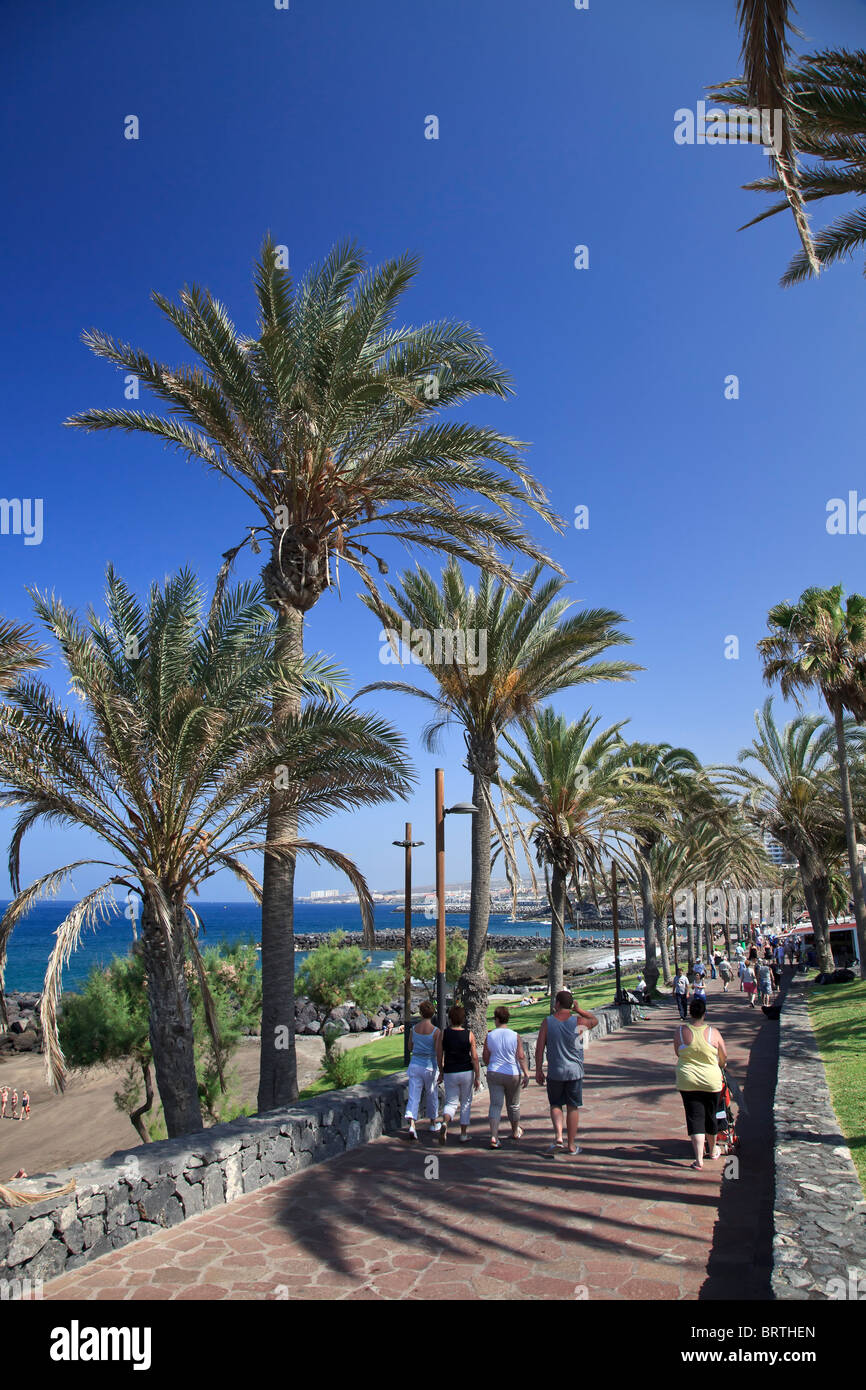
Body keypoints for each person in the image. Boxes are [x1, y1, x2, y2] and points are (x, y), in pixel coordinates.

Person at [535, 989, 598, 1157]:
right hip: (575, 1072)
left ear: (557, 1004)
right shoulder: (578, 1022)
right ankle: (571, 1145)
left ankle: (558, 1137)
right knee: (573, 1106)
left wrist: (539, 1069)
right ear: (570, 1005)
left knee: (555, 1104)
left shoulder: (548, 1022)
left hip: (555, 1071)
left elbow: (540, 1048)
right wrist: (578, 1010)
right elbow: (595, 1020)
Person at [674, 997, 728, 1170]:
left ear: (690, 1013)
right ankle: (712, 1151)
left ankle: (699, 1160)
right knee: (710, 1115)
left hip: (688, 1080)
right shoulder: (713, 1033)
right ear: (705, 1014)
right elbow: (723, 1056)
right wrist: (720, 1065)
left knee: (694, 1117)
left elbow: (678, 1053)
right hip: (711, 1081)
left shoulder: (681, 1032)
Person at [483, 1006, 530, 1147]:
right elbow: (521, 1056)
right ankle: (515, 1130)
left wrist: (491, 1063)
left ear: (497, 1019)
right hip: (512, 1073)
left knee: (495, 1105)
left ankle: (494, 1136)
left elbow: (485, 1057)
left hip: (495, 1072)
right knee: (513, 1105)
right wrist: (526, 1073)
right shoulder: (515, 1036)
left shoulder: (490, 1036)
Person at [436, 1004, 480, 1144]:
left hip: (450, 1071)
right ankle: (463, 1133)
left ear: (450, 1018)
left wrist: (441, 1071)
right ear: (463, 1019)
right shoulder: (469, 1034)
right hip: (466, 1071)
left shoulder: (444, 1033)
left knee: (451, 1102)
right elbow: (474, 1057)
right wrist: (477, 1076)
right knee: (466, 1102)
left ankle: (445, 1122)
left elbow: (439, 1054)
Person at [402, 1000, 441, 1140]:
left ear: (421, 1013)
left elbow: (410, 1047)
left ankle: (412, 1124)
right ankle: (433, 1122)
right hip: (430, 1066)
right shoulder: (436, 1032)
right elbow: (438, 1051)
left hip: (415, 1065)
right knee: (432, 1094)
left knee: (414, 1095)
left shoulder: (414, 1029)